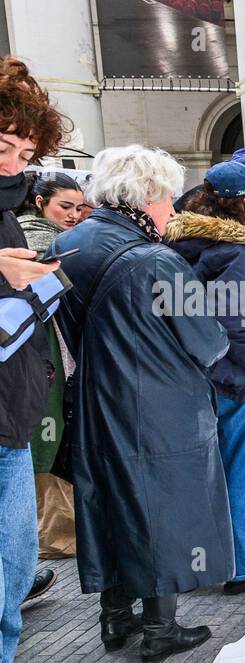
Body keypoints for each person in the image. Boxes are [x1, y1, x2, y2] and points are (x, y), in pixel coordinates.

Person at [50, 144, 233, 663]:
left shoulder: (68, 243)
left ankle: (115, 617)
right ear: (146, 195)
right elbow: (206, 340)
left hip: (91, 395)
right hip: (159, 402)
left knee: (106, 498)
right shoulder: (157, 258)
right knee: (163, 505)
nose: (172, 211)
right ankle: (160, 627)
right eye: (168, 199)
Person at [166, 161, 245, 597]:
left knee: (209, 470)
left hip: (196, 371)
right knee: (244, 469)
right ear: (243, 204)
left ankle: (204, 559)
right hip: (235, 373)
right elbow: (234, 323)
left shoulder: (181, 246)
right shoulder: (235, 252)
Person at [0, 55, 71, 663]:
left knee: (15, 568)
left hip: (10, 412)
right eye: (2, 148)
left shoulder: (7, 206)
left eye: (25, 153)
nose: (17, 165)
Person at [18, 172, 83, 560]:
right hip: (40, 357)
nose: (74, 214)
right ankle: (53, 534)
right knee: (47, 439)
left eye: (79, 207)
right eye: (65, 206)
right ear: (41, 203)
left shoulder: (59, 241)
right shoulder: (40, 241)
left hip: (47, 355)